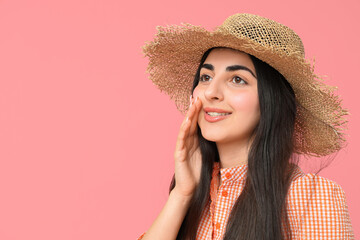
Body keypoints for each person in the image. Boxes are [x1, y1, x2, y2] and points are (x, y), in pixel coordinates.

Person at [137, 13, 354, 240]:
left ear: (271, 100)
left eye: (237, 79)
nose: (211, 92)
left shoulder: (312, 198)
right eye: (206, 77)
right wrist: (181, 194)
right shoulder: (194, 198)